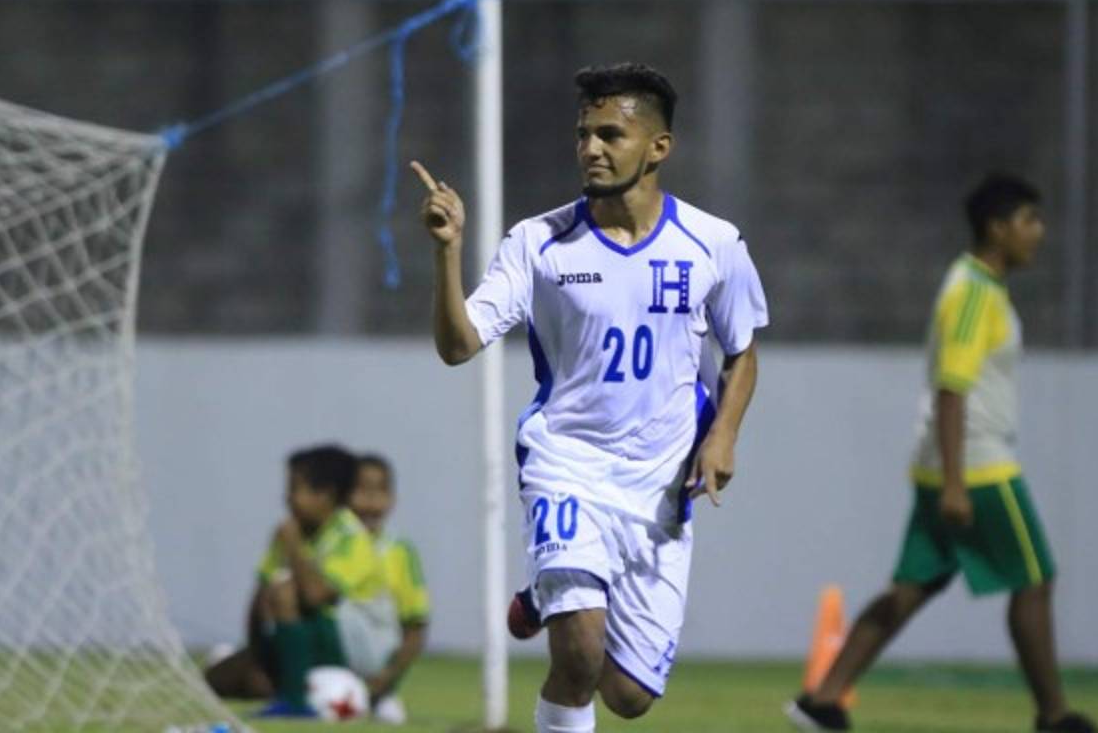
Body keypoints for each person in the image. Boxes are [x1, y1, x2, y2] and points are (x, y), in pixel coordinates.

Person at [416, 62, 768, 733]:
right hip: (567, 466)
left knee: (629, 696)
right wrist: (447, 251)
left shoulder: (714, 244)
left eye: (610, 134)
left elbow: (742, 351)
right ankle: (563, 592)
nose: (591, 149)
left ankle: (542, 594)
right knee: (578, 654)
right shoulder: (538, 242)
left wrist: (723, 436)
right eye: (583, 134)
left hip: (657, 484)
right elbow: (457, 345)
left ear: (658, 147)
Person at [786, 175, 1098, 733]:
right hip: (978, 465)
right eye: (1029, 220)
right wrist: (956, 482)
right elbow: (952, 389)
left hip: (948, 462)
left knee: (912, 587)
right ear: (997, 228)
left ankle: (823, 700)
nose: (1039, 232)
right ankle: (1055, 717)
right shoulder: (973, 293)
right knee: (1034, 580)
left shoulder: (979, 287)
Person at [205, 444, 391, 719]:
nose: (288, 498)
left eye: (295, 489)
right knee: (215, 680)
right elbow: (259, 595)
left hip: (354, 647)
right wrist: (257, 654)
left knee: (286, 588)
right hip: (306, 636)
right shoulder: (291, 531)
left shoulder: (351, 538)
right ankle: (283, 681)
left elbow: (315, 596)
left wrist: (293, 545)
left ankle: (295, 700)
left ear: (326, 495)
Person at [349, 453, 432, 726]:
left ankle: (378, 698)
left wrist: (384, 679)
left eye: (379, 491)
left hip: (378, 674)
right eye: (361, 490)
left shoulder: (399, 551)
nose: (370, 501)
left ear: (392, 498)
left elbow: (416, 625)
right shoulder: (331, 544)